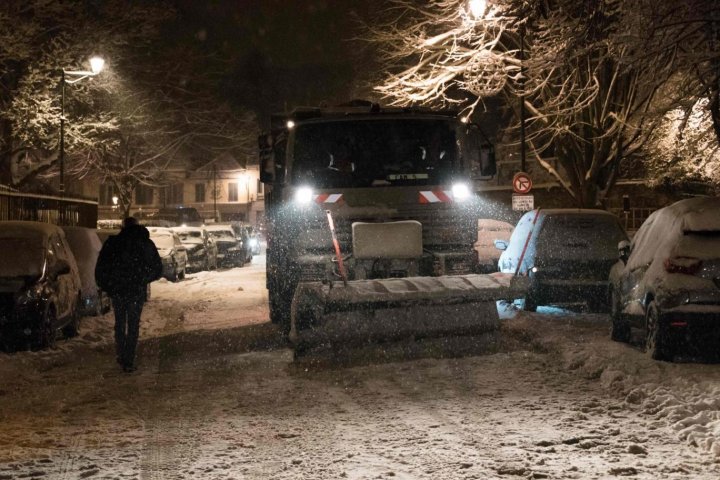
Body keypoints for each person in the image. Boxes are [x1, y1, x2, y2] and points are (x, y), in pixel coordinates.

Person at [95, 217, 162, 372]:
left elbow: (102, 267)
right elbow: (157, 268)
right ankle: (129, 357)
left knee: (120, 322)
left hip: (119, 289)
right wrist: (143, 279)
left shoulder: (114, 244)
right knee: (133, 324)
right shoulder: (144, 244)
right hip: (135, 290)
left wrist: (107, 285)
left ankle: (122, 353)